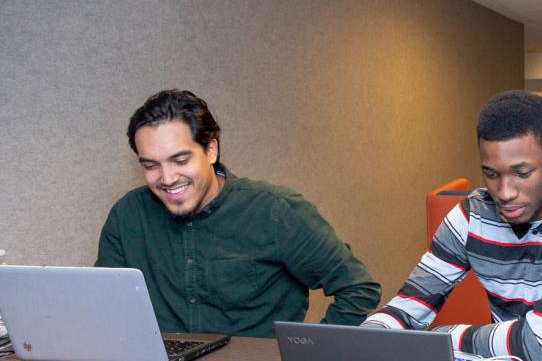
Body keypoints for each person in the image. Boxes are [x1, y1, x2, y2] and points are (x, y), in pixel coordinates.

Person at [270, 90, 542, 361]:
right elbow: (408, 308)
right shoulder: (470, 216)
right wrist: (339, 360)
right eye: (491, 174)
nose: (504, 192)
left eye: (522, 173)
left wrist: (438, 337)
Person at [96, 89, 381, 338]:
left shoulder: (276, 210)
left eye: (180, 160)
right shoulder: (127, 217)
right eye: (151, 166)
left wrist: (311, 360)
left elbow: (357, 288)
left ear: (210, 150)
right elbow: (105, 308)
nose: (167, 178)